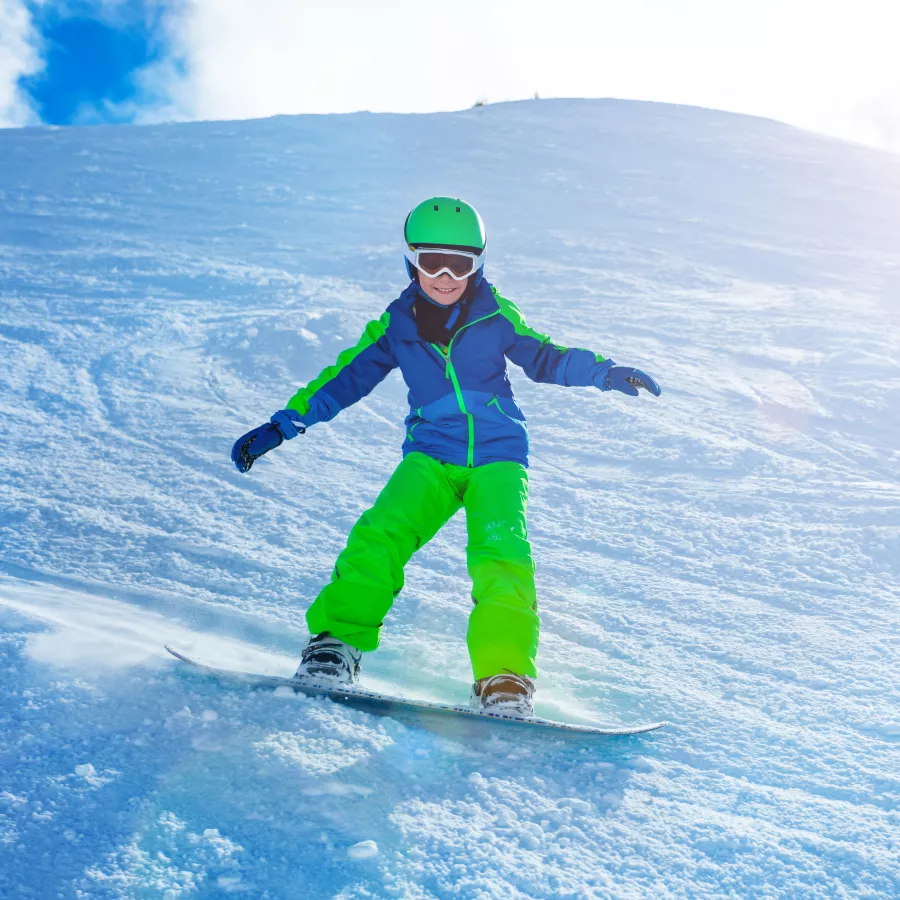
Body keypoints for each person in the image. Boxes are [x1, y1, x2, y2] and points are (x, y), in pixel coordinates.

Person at [231, 197, 661, 717]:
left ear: (479, 264)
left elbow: (545, 356)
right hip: (431, 453)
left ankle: (503, 677)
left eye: (461, 263)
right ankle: (335, 645)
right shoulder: (395, 327)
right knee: (381, 534)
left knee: (502, 557)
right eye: (432, 260)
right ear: (411, 261)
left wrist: (605, 372)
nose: (445, 275)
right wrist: (285, 424)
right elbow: (345, 378)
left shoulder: (497, 317)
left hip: (498, 455)